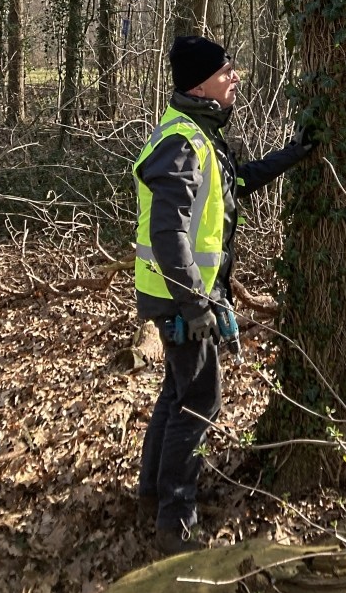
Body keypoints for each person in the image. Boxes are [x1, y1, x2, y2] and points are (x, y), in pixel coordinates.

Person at [134, 35, 315, 555]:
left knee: (177, 393)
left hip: (179, 295)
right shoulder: (182, 143)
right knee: (200, 400)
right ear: (201, 82)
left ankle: (153, 497)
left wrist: (294, 154)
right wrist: (196, 304)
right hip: (179, 299)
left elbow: (239, 181)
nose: (235, 76)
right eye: (226, 69)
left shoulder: (201, 137)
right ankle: (176, 521)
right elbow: (168, 235)